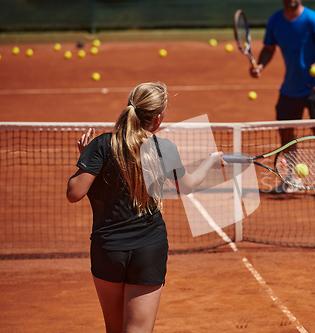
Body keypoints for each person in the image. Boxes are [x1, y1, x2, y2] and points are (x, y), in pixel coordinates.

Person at [66, 82, 223, 333]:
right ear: (158, 118)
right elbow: (188, 186)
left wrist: (86, 159)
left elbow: (75, 193)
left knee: (113, 329)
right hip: (149, 250)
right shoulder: (164, 148)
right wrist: (211, 161)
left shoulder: (102, 144)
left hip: (108, 250)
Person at [250, 0, 315, 197]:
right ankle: (292, 178)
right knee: (286, 132)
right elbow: (269, 48)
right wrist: (261, 65)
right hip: (291, 86)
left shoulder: (313, 20)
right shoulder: (275, 21)